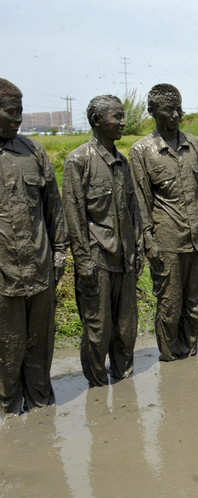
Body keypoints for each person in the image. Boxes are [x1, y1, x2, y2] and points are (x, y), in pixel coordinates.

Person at [129, 84, 198, 361]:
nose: (176, 115)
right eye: (169, 110)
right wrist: (148, 241)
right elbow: (140, 202)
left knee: (197, 304)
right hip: (167, 241)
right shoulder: (142, 150)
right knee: (170, 305)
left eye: (179, 108)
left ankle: (190, 353)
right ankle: (170, 360)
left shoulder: (192, 144)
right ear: (153, 112)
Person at [62, 95, 142, 387]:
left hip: (125, 259)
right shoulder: (78, 161)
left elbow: (133, 209)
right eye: (116, 117)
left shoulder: (123, 161)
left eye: (123, 116)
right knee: (98, 331)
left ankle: (124, 387)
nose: (123, 122)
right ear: (97, 121)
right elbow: (74, 217)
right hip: (97, 260)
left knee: (126, 329)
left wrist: (138, 248)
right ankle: (96, 388)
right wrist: (83, 263)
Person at [0, 78, 68, 414]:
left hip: (40, 269)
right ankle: (9, 413)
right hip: (3, 278)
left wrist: (60, 252)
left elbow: (53, 206)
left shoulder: (33, 151)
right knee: (7, 354)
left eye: (20, 113)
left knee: (40, 350)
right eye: (11, 113)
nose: (18, 120)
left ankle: (42, 415)